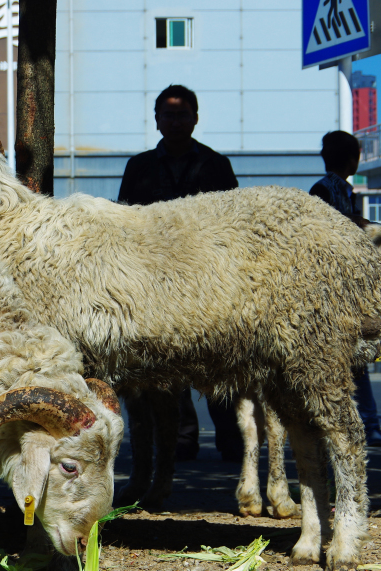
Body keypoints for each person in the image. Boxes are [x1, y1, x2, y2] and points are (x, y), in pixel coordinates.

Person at [116, 84, 244, 465]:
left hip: (210, 278)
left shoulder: (216, 163)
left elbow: (235, 222)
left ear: (195, 118)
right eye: (167, 115)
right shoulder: (138, 166)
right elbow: (126, 221)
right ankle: (182, 440)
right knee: (169, 362)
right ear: (156, 120)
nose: (175, 121)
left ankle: (231, 438)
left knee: (221, 358)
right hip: (157, 279)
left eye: (182, 114)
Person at [308, 130, 381, 447]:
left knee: (345, 359)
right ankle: (367, 424)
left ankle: (354, 424)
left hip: (334, 288)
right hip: (339, 289)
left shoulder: (331, 188)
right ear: (354, 156)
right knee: (351, 359)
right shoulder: (328, 190)